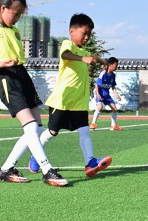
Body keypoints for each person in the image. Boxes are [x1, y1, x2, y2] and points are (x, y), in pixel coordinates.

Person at [0, 0, 67, 187]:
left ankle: (7, 168)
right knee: (31, 126)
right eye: (15, 13)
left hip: (22, 75)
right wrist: (1, 63)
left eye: (20, 15)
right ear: (3, 8)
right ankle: (47, 170)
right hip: (6, 78)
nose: (17, 18)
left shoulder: (14, 31)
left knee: (37, 128)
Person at [29, 13, 112, 179]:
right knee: (52, 131)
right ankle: (36, 156)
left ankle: (90, 162)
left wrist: (103, 62)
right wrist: (83, 58)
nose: (86, 37)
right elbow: (65, 55)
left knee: (84, 131)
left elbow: (93, 57)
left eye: (89, 34)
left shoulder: (83, 51)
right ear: (72, 31)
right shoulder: (68, 45)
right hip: (62, 100)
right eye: (84, 33)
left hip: (79, 102)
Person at [90, 57, 123, 131]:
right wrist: (98, 94)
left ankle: (113, 126)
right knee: (100, 107)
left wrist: (116, 95)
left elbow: (113, 86)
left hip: (106, 94)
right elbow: (96, 84)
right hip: (99, 92)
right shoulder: (103, 74)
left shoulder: (113, 75)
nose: (116, 67)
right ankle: (93, 124)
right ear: (110, 65)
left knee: (114, 109)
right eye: (116, 65)